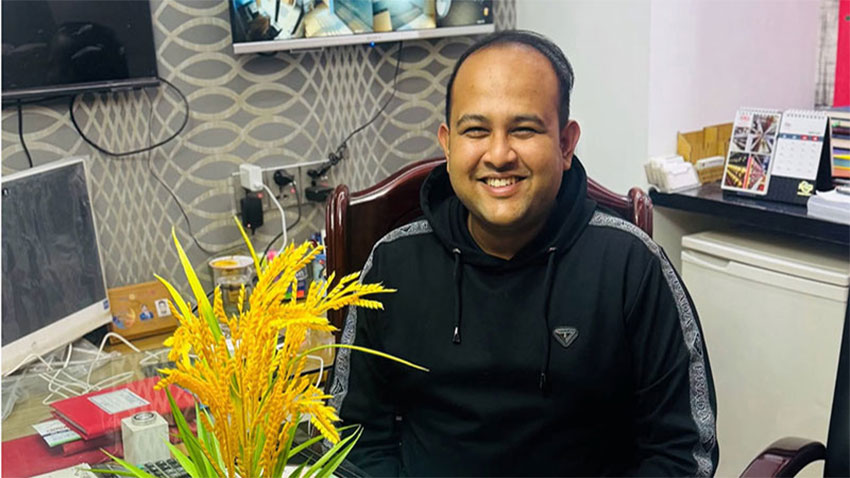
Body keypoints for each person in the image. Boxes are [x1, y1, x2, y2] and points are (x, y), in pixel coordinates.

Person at [328, 30, 718, 477]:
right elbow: (351, 440)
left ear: (566, 144)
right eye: (476, 130)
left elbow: (683, 453)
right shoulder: (394, 264)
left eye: (524, 129)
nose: (499, 155)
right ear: (447, 144)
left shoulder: (632, 266)